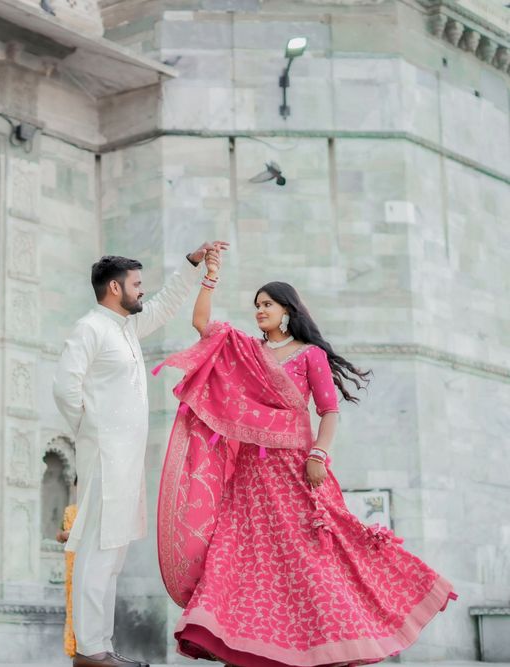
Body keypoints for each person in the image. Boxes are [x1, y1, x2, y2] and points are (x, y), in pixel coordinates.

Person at [151, 248, 457, 667]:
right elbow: (202, 325)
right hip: (251, 474)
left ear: (287, 311)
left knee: (311, 555)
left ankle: (330, 641)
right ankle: (248, 644)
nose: (259, 311)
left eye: (267, 305)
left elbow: (329, 411)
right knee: (247, 556)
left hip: (297, 469)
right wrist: (210, 275)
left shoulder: (310, 355)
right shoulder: (248, 352)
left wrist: (319, 453)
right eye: (256, 305)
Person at [53, 242, 228, 667]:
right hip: (105, 453)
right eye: (136, 285)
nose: (142, 292)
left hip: (126, 457)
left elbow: (167, 304)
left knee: (113, 552)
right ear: (115, 288)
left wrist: (192, 265)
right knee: (98, 547)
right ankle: (90, 649)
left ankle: (100, 646)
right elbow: (65, 387)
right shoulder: (90, 328)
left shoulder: (126, 328)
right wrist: (91, 430)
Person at [58, 490, 78, 658]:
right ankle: (73, 647)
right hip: (72, 563)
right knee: (72, 602)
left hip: (90, 562)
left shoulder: (94, 509)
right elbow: (59, 535)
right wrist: (67, 535)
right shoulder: (70, 510)